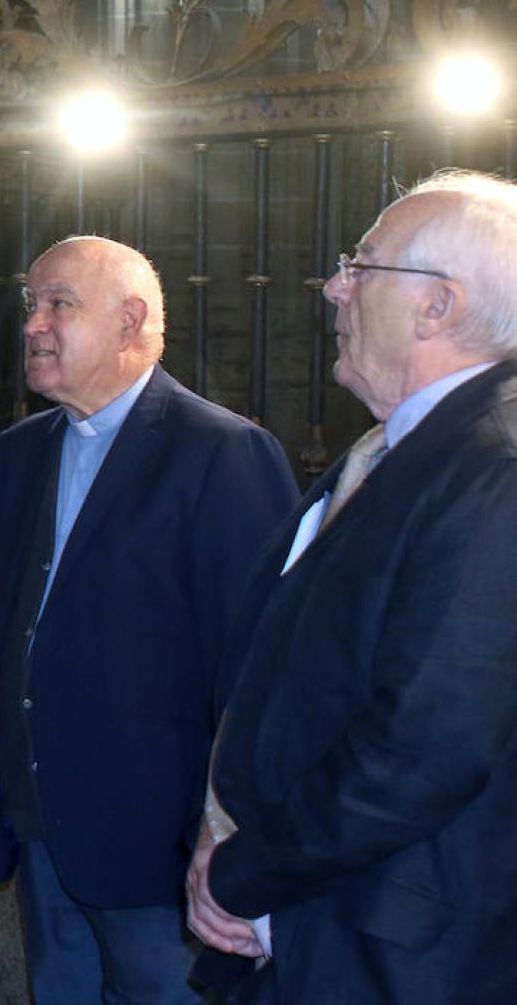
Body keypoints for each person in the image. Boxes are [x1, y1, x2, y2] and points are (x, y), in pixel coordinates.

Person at [187, 172, 517, 1004]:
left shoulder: (495, 468)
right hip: (315, 923)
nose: (334, 287)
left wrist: (245, 876)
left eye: (361, 265)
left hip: (387, 952)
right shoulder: (393, 448)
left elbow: (427, 746)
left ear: (436, 307)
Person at [0, 236, 297, 1004]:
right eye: (30, 305)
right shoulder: (20, 451)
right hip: (38, 819)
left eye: (59, 305)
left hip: (155, 843)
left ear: (129, 320)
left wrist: (227, 833)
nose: (33, 325)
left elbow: (256, 671)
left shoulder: (223, 453)